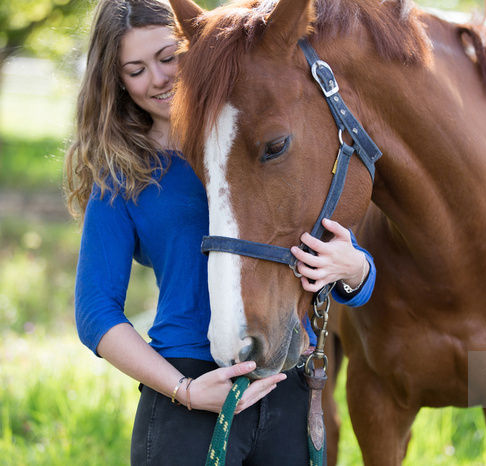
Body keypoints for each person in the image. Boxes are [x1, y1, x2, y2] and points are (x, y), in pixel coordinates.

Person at [63, 0, 376, 464]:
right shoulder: (124, 175)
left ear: (196, 48)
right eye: (135, 69)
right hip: (186, 395)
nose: (158, 78)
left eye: (167, 58)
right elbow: (95, 313)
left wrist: (355, 269)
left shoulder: (260, 146)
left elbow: (350, 275)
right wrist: (184, 390)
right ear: (117, 80)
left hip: (288, 382)